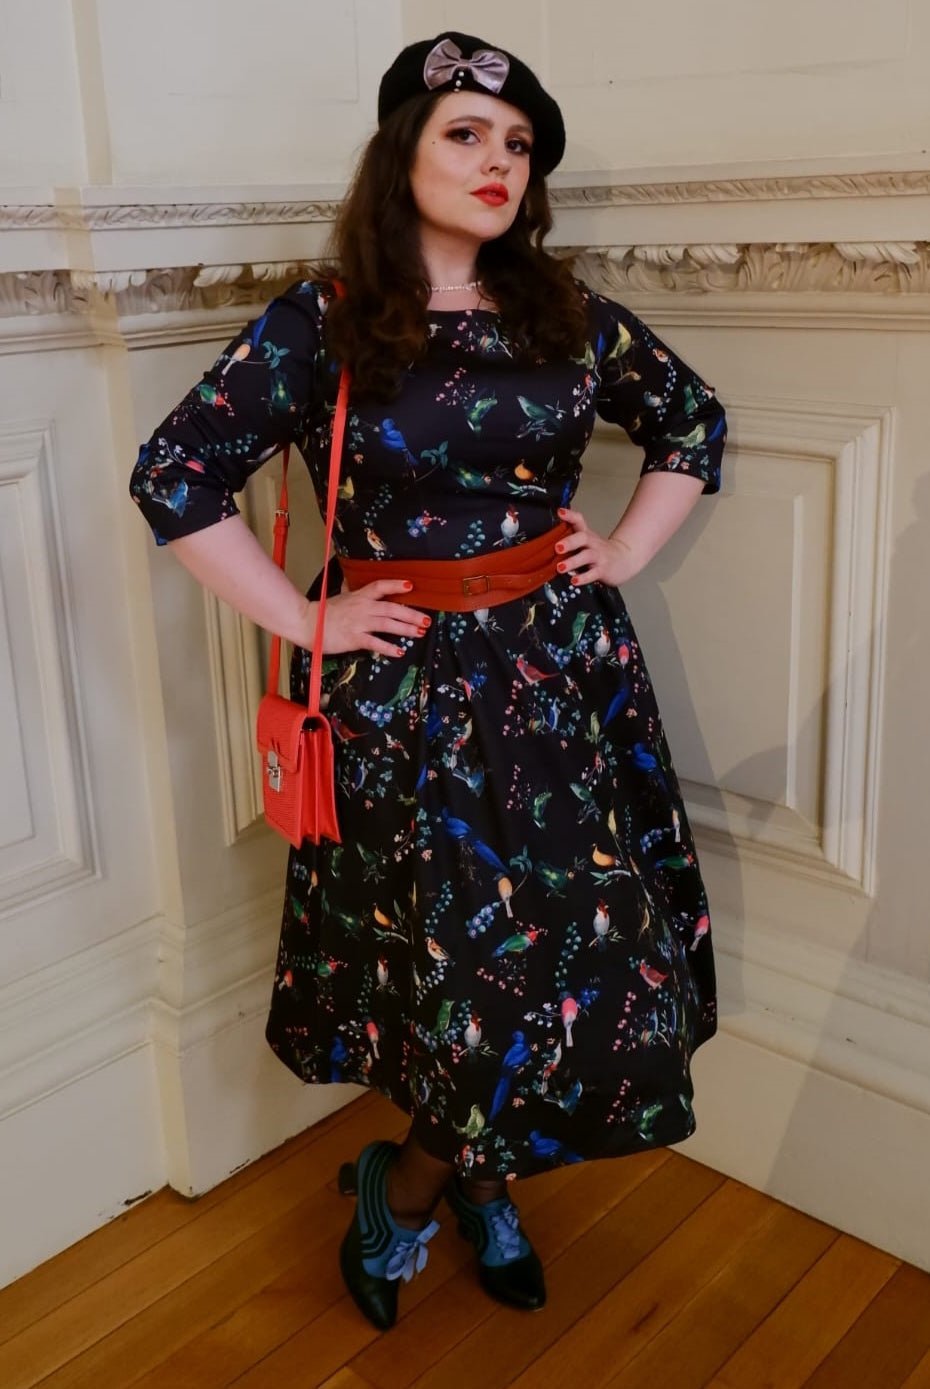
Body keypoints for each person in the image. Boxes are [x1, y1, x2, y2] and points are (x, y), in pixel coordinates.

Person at [130, 30, 727, 1332]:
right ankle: (423, 1188)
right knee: (465, 981)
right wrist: (302, 611)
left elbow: (691, 422)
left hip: (561, 683)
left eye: (518, 144)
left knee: (573, 968)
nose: (497, 160)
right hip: (406, 697)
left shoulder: (567, 316)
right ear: (399, 149)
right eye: (464, 132)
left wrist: (621, 545)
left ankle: (434, 1176)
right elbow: (175, 475)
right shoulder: (326, 320)